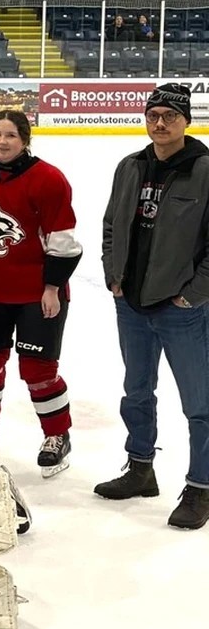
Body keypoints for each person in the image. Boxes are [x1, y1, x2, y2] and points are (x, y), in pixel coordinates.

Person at [98, 83, 209, 530]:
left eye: (169, 115)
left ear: (186, 120)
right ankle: (140, 468)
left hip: (182, 309)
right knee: (137, 392)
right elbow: (110, 225)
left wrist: (195, 293)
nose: (159, 123)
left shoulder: (203, 170)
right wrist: (113, 273)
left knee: (199, 404)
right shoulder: (130, 166)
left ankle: (201, 487)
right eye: (153, 114)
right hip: (133, 304)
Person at [0, 111, 82, 477]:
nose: (2, 141)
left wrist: (51, 288)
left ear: (25, 139)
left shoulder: (49, 179)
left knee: (39, 371)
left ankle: (56, 435)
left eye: (11, 136)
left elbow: (63, 240)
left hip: (36, 293)